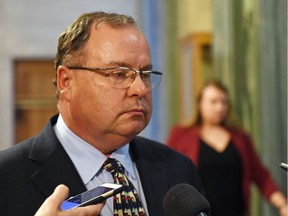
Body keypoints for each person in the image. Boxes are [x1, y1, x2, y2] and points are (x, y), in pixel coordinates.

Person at [0, 11, 204, 216]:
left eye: (145, 74)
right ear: (66, 82)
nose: (140, 89)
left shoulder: (177, 169)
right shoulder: (7, 177)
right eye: (119, 74)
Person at [167, 80, 287, 216]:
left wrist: (282, 204)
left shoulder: (240, 137)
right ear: (200, 104)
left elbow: (261, 176)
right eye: (213, 102)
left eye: (223, 102)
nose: (219, 108)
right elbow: (168, 174)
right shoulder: (182, 135)